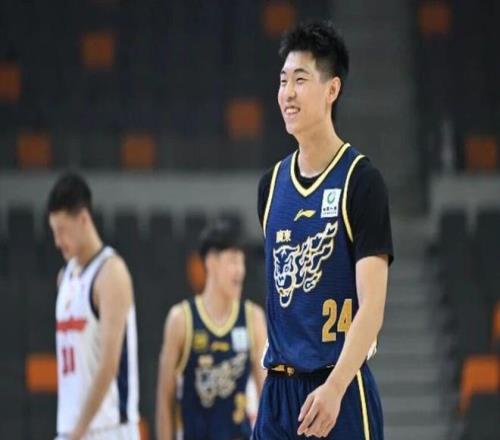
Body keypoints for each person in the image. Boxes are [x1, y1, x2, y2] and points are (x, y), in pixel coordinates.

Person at [253, 20, 394, 439]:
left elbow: (372, 307)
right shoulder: (271, 186)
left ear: (332, 90)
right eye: (283, 81)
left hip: (338, 388)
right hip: (279, 394)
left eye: (300, 80)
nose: (287, 93)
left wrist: (335, 387)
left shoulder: (360, 181)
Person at [48, 173, 139, 439]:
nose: (57, 241)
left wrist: (78, 431)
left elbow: (109, 365)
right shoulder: (65, 277)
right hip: (71, 427)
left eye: (62, 231)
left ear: (84, 219)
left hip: (110, 427)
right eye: (54, 232)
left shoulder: (111, 273)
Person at [156, 220, 267, 440]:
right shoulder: (182, 319)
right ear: (211, 262)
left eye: (242, 261)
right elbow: (164, 400)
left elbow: (266, 394)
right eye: (233, 260)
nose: (240, 270)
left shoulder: (253, 317)